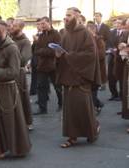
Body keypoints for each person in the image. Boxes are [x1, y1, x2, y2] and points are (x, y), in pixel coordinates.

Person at [0, 20, 31, 161]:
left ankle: (17, 148)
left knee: (10, 121)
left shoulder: (12, 48)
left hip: (7, 90)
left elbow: (14, 72)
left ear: (3, 30)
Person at [56, 7, 100, 148]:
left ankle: (92, 131)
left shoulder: (85, 33)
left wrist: (69, 56)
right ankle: (72, 136)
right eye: (65, 15)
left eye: (68, 15)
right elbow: (62, 52)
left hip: (81, 77)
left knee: (83, 108)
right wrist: (58, 55)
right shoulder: (65, 34)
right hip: (68, 77)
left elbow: (90, 55)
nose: (66, 18)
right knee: (69, 110)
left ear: (76, 16)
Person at [33, 16, 62, 114]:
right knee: (41, 87)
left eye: (43, 23)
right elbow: (36, 50)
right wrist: (45, 51)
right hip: (42, 65)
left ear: (49, 23)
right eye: (40, 24)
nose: (41, 26)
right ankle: (42, 108)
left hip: (54, 65)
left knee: (57, 86)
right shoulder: (41, 35)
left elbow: (56, 50)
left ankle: (61, 104)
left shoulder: (56, 34)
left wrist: (43, 51)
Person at [10, 19, 33, 130]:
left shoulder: (25, 41)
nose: (12, 27)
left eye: (14, 26)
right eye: (12, 25)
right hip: (9, 72)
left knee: (22, 98)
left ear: (20, 27)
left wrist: (10, 58)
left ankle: (26, 122)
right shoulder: (10, 39)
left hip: (19, 73)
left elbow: (24, 58)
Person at [87, 21, 107, 114]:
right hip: (87, 70)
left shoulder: (99, 40)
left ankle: (97, 106)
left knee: (93, 91)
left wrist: (89, 56)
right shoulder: (86, 40)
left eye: (88, 31)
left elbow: (102, 55)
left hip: (96, 70)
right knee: (89, 92)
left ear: (93, 31)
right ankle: (97, 105)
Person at [117, 18, 129, 133]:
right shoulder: (126, 34)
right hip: (127, 65)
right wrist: (121, 46)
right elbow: (120, 47)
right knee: (127, 94)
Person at [108, 19, 123, 101]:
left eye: (119, 23)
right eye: (116, 23)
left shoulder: (125, 32)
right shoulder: (111, 32)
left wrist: (117, 50)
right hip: (111, 56)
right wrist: (111, 48)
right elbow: (108, 43)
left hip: (120, 58)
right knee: (110, 76)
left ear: (122, 24)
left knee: (121, 77)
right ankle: (114, 94)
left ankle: (121, 95)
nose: (117, 24)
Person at [29, 18, 42, 96]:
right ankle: (34, 92)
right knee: (34, 77)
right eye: (37, 24)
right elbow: (33, 49)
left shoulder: (45, 35)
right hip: (35, 59)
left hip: (41, 61)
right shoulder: (36, 34)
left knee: (41, 80)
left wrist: (37, 41)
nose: (38, 26)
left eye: (40, 24)